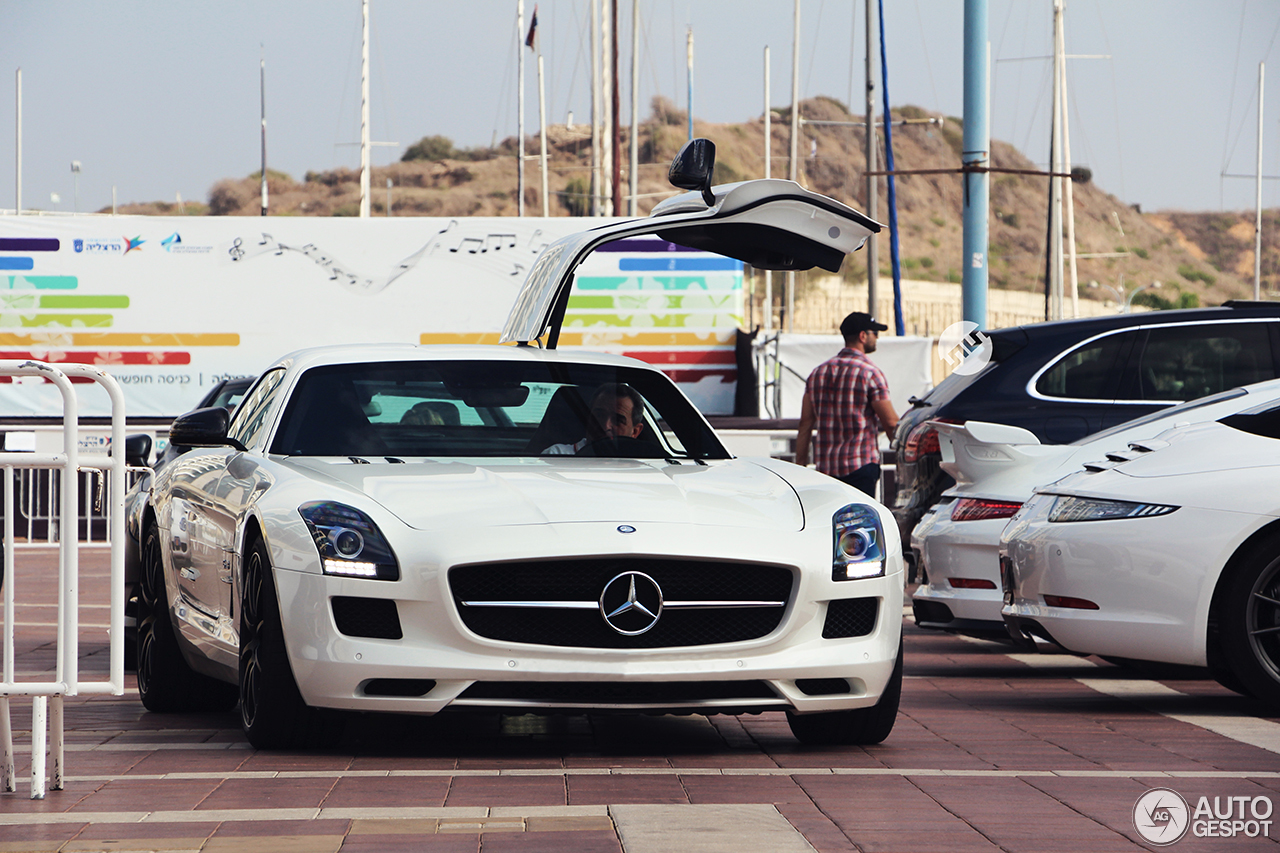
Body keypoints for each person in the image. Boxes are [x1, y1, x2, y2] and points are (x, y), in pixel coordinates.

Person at [794, 312, 899, 497]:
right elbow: (890, 422)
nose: (877, 338)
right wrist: (902, 456)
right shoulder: (871, 373)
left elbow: (805, 424)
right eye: (875, 333)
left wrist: (799, 467)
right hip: (861, 467)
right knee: (860, 523)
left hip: (826, 470)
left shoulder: (818, 373)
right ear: (863, 336)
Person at [541, 383, 646, 455]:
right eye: (599, 416)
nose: (605, 426)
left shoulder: (646, 466)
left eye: (617, 420)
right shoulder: (557, 455)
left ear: (635, 431)